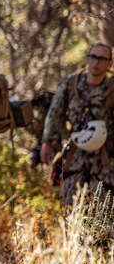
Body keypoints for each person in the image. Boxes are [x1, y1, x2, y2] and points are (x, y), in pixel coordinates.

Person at [40, 43, 114, 208]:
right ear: (87, 59)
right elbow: (55, 113)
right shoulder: (71, 83)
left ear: (110, 63)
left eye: (102, 59)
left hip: (105, 159)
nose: (96, 62)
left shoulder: (111, 88)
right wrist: (47, 143)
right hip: (75, 155)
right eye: (93, 57)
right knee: (71, 205)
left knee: (102, 209)